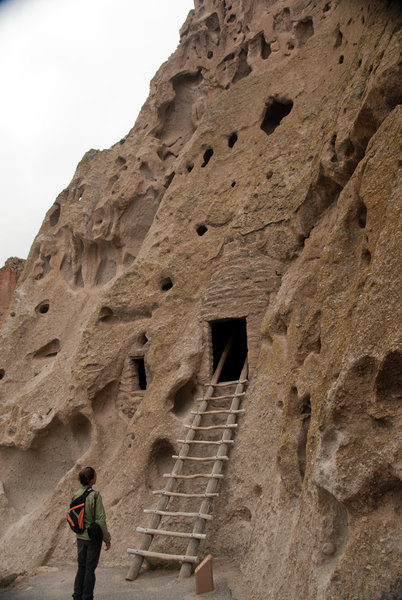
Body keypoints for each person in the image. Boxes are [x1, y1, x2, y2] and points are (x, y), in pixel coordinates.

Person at [72, 466, 111, 600]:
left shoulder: (76, 495)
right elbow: (100, 520)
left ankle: (77, 596)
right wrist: (107, 538)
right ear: (91, 479)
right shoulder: (94, 496)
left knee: (81, 567)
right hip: (92, 538)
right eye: (95, 475)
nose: (96, 477)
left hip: (80, 536)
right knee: (90, 569)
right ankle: (87, 597)